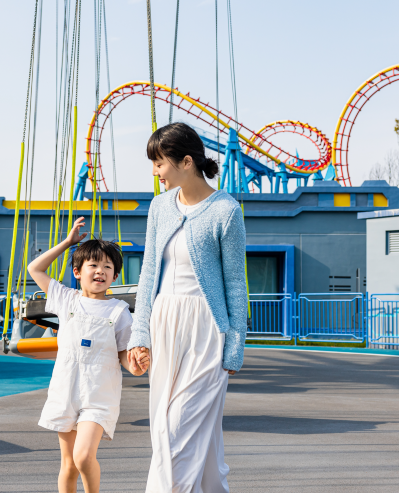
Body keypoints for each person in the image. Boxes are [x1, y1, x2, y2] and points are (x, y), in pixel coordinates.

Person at [128, 122, 248, 493]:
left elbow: (235, 283)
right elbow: (149, 271)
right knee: (188, 436)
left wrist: (235, 347)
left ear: (185, 162)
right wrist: (140, 333)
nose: (154, 172)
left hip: (206, 328)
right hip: (164, 322)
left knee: (176, 428)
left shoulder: (226, 210)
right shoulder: (159, 207)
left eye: (159, 163)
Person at [28, 217, 150, 493]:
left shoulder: (119, 311)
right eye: (93, 265)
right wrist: (68, 243)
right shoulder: (65, 299)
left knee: (84, 457)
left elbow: (124, 355)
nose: (100, 271)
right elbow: (35, 268)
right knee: (69, 465)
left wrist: (136, 366)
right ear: (77, 271)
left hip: (99, 395)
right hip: (66, 390)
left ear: (115, 276)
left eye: (107, 266)